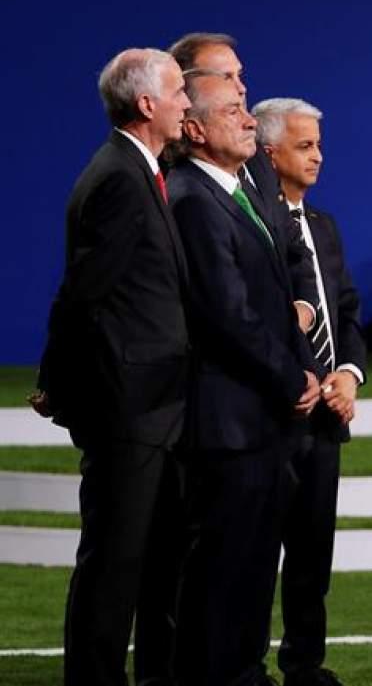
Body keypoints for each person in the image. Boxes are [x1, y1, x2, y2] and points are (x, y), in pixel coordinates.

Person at [33, 47, 190, 686]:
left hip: (155, 404)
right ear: (147, 103)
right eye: (178, 91)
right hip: (130, 409)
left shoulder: (138, 168)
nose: (187, 102)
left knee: (149, 561)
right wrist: (57, 382)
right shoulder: (121, 178)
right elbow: (83, 292)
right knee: (114, 563)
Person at [167, 73, 321, 686]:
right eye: (233, 110)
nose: (250, 119)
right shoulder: (192, 199)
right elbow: (229, 317)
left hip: (260, 416)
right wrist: (294, 377)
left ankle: (243, 673)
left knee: (254, 568)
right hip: (230, 421)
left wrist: (300, 369)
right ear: (196, 129)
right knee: (225, 573)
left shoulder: (240, 190)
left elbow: (278, 288)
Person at [254, 97, 368, 686]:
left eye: (319, 144)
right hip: (275, 416)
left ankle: (304, 664)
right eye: (304, 146)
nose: (318, 155)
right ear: (269, 152)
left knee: (311, 556)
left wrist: (347, 373)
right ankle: (246, 668)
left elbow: (345, 310)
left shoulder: (323, 226)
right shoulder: (257, 224)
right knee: (253, 556)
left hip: (326, 419)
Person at [168, 31, 320, 335]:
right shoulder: (183, 188)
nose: (241, 87)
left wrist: (304, 309)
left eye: (239, 75)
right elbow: (224, 308)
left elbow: (294, 248)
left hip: (288, 355)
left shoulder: (256, 162)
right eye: (227, 76)